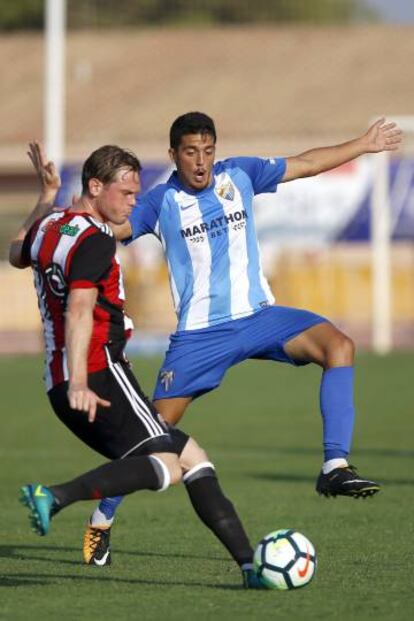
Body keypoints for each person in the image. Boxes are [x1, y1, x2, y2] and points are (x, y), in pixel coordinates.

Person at [84, 112, 401, 551]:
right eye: (191, 152)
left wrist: (363, 143)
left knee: (339, 346)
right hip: (200, 336)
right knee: (152, 434)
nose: (201, 162)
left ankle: (334, 466)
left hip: (258, 317)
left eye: (208, 151)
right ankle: (102, 516)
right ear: (173, 154)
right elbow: (112, 228)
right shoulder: (160, 202)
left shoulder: (241, 174)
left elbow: (306, 163)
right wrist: (72, 221)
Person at [9, 142, 262, 589]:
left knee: (194, 458)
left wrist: (45, 196)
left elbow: (16, 253)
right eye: (125, 193)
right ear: (94, 186)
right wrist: (83, 381)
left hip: (60, 378)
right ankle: (55, 496)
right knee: (168, 464)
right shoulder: (95, 242)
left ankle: (248, 566)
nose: (133, 202)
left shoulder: (52, 224)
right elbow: (81, 310)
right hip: (98, 374)